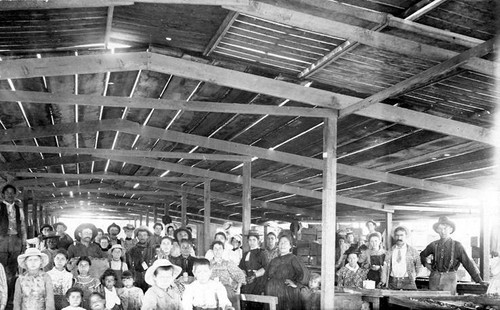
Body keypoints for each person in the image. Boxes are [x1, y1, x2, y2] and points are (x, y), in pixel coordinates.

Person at [420, 216, 485, 294]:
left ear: (450, 230)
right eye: (440, 229)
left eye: (445, 229)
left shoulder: (457, 246)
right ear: (437, 230)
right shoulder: (434, 244)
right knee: (432, 302)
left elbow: (467, 263)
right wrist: (426, 264)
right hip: (434, 277)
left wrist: (479, 280)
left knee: (449, 302)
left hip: (449, 279)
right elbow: (422, 255)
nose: (443, 231)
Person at [266, 234, 308, 310]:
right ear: (278, 245)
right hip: (272, 292)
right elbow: (266, 276)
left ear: (290, 246)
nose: (282, 245)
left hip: (287, 294)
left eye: (285, 242)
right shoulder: (274, 260)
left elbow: (304, 273)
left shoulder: (293, 259)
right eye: (281, 242)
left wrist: (296, 284)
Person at [0, 184, 27, 292]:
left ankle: (10, 295)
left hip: (16, 240)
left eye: (12, 193)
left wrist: (24, 243)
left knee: (12, 269)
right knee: (1, 269)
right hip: (2, 241)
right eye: (7, 193)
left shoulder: (18, 209)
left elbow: (23, 226)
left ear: (15, 195)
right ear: (3, 195)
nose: (10, 195)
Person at [210, 241, 246, 310]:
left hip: (226, 289)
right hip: (211, 290)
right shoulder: (208, 264)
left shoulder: (227, 263)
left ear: (223, 250)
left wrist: (238, 288)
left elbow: (240, 275)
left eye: (220, 248)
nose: (217, 251)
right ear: (212, 250)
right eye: (215, 248)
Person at [239, 230, 267, 310]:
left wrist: (254, 276)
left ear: (258, 241)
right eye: (250, 240)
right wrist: (245, 276)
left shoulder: (262, 253)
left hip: (258, 282)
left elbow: (266, 268)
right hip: (247, 283)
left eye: (254, 240)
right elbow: (242, 268)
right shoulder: (245, 254)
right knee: (246, 304)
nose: (252, 242)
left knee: (256, 304)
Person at [126, 226, 153, 292]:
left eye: (144, 235)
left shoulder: (152, 250)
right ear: (137, 237)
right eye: (140, 235)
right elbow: (129, 266)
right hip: (136, 278)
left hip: (149, 278)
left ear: (148, 236)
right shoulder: (131, 250)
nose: (142, 237)